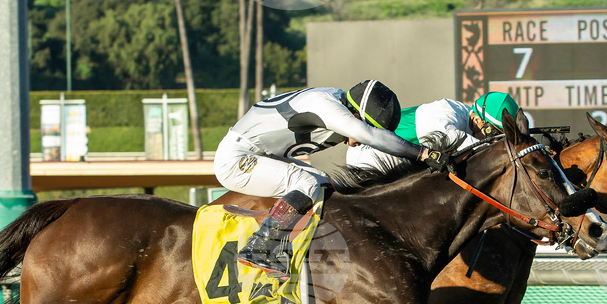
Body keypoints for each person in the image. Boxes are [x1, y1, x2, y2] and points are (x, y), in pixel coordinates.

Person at [214, 80, 448, 276]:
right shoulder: (328, 106)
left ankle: (297, 248)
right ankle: (260, 247)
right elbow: (367, 134)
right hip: (236, 159)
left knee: (324, 184)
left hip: (260, 154)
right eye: (362, 126)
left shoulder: (338, 101)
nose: (356, 143)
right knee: (306, 184)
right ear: (355, 114)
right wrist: (423, 153)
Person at [346, 91, 521, 172]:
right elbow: (446, 138)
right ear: (476, 119)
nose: (493, 141)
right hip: (366, 158)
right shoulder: (447, 109)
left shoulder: (467, 120)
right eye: (493, 134)